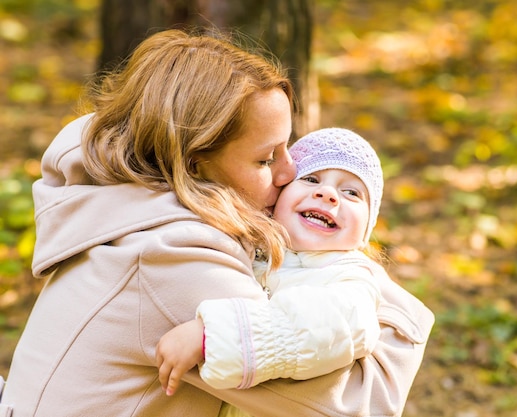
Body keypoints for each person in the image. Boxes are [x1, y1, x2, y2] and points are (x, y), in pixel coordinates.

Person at [0, 28, 434, 417]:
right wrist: (375, 288)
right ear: (196, 163)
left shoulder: (127, 207)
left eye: (289, 151)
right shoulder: (173, 259)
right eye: (266, 159)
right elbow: (360, 404)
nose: (289, 175)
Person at [156, 128, 386, 408]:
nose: (327, 194)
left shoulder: (351, 278)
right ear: (277, 198)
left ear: (365, 231)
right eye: (311, 178)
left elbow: (333, 324)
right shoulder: (247, 245)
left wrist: (212, 335)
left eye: (351, 192)